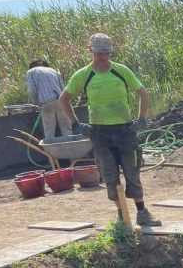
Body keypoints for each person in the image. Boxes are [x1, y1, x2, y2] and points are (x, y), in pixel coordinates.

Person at [59, 33, 161, 227]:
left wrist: (141, 119)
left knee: (132, 171)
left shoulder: (121, 71)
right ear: (91, 50)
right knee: (109, 174)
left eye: (106, 53)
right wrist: (75, 123)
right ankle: (121, 214)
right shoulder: (83, 75)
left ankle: (142, 212)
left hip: (124, 130)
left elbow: (143, 94)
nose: (103, 57)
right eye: (99, 53)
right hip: (100, 133)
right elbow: (64, 99)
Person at [25, 60, 72, 139]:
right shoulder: (52, 70)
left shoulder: (31, 72)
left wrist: (37, 103)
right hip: (60, 101)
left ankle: (51, 150)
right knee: (66, 127)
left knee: (49, 129)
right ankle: (71, 147)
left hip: (46, 102)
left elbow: (32, 90)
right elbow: (63, 87)